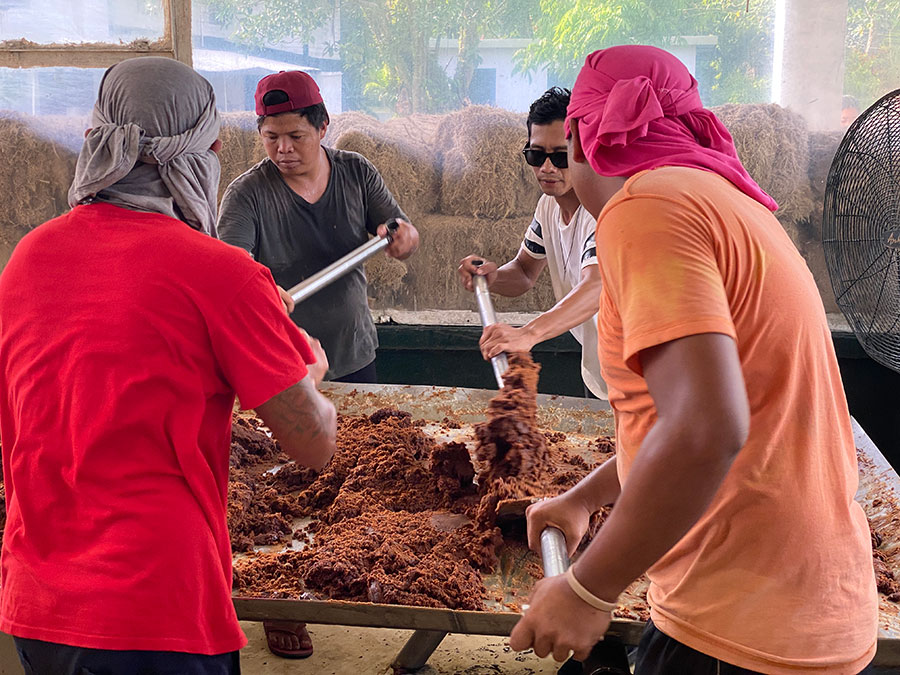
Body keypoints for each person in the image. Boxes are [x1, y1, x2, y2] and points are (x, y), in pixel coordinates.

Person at [509, 45, 878, 674]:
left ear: (578, 138)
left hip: (736, 626)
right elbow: (717, 414)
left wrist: (587, 588)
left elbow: (705, 430)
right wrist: (584, 497)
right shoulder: (730, 204)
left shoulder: (646, 208)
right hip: (812, 612)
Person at [0, 57, 338, 675]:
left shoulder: (27, 257)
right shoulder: (221, 272)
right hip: (155, 610)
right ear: (204, 151)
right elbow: (314, 444)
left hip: (37, 603)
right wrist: (308, 373)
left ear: (95, 141)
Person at [217, 70, 418, 659]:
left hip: (353, 349)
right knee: (284, 487)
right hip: (286, 362)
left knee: (358, 476)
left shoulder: (356, 172)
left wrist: (401, 237)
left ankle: (353, 572)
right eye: (270, 136)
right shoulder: (247, 194)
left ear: (323, 128)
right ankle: (281, 603)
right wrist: (259, 296)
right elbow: (230, 271)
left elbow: (398, 231)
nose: (282, 149)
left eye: (295, 137)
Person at [458, 87, 607, 399]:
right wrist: (493, 276)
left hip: (641, 377)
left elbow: (597, 286)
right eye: (536, 155)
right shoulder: (548, 207)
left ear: (584, 150)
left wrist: (528, 333)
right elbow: (525, 272)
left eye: (560, 157)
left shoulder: (602, 210)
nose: (547, 168)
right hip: (598, 371)